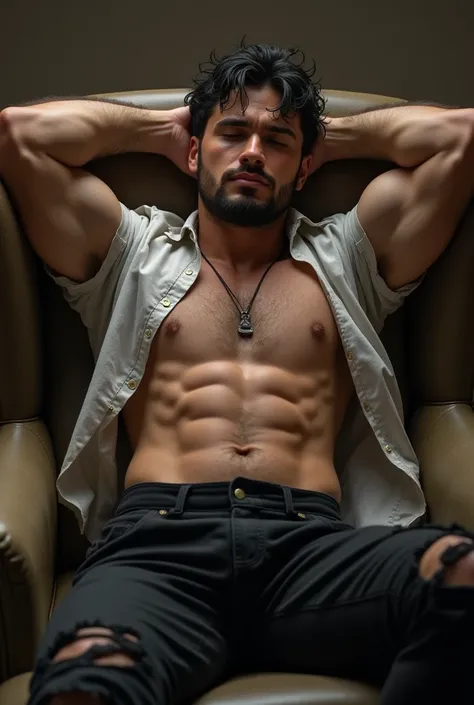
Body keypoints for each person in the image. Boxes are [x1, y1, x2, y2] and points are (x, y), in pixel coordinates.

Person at [1, 41, 474, 705]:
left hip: (309, 549)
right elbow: (19, 135)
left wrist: (323, 136)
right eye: (231, 133)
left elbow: (462, 138)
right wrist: (167, 127)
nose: (252, 152)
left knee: (461, 577)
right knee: (84, 678)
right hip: (158, 548)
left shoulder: (347, 257)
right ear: (195, 151)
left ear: (305, 165)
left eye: (277, 142)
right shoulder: (131, 251)